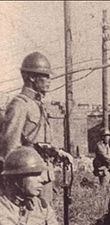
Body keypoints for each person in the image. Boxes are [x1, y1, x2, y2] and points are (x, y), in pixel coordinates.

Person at [0, 52, 73, 204]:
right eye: (45, 76)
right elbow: (9, 147)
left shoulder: (37, 105)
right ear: (31, 77)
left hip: (44, 174)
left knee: (45, 218)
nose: (49, 80)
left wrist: (57, 152)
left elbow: (38, 141)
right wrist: (17, 184)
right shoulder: (19, 105)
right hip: (28, 179)